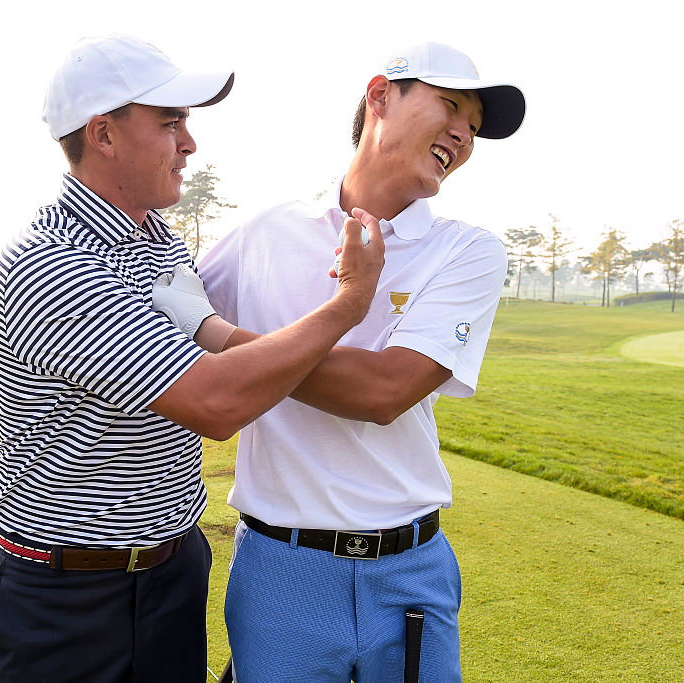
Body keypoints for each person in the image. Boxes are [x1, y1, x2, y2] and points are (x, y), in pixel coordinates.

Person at [0, 33, 385, 683]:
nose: (189, 143)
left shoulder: (159, 242)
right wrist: (348, 303)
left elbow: (216, 341)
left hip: (171, 575)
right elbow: (215, 401)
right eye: (170, 123)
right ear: (104, 135)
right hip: (64, 598)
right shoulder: (49, 263)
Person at [157, 40, 524, 682]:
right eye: (452, 107)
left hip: (412, 568)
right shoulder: (264, 232)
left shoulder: (468, 252)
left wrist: (220, 336)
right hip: (280, 566)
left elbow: (384, 392)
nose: (465, 134)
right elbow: (161, 309)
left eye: (475, 126)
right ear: (381, 94)